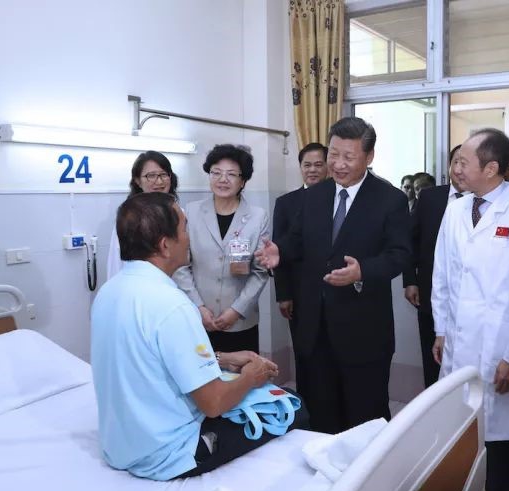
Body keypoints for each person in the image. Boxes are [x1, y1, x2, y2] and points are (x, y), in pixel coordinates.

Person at [91, 192, 302, 481]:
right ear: (165, 245)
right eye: (183, 228)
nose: (189, 237)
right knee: (292, 404)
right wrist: (252, 376)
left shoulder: (109, 292)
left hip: (119, 447)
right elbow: (213, 403)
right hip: (168, 455)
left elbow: (147, 359)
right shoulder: (173, 305)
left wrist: (223, 359)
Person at [255, 117, 411, 434]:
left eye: (348, 157)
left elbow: (400, 255)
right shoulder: (314, 196)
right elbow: (298, 239)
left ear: (369, 157)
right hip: (314, 329)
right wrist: (279, 252)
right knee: (319, 412)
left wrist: (362, 270)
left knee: (364, 417)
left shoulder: (390, 200)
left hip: (363, 332)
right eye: (334, 154)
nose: (338, 164)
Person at [431, 129, 509, 491]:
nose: (456, 168)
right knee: (457, 437)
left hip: (499, 349)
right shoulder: (455, 210)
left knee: (497, 444)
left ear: (492, 167)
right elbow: (443, 276)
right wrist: (440, 330)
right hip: (456, 344)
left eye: (464, 162)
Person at [174, 145, 269, 354]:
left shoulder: (257, 216)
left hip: (241, 321)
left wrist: (236, 311)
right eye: (216, 173)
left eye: (231, 174)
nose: (222, 179)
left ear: (243, 181)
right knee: (201, 378)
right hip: (199, 318)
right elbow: (181, 265)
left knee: (242, 380)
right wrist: (198, 307)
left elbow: (261, 272)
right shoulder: (192, 211)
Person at [402, 144, 465, 388]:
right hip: (430, 293)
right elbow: (411, 240)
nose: (458, 170)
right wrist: (410, 280)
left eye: (465, 163)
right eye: (455, 163)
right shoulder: (430, 197)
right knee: (433, 357)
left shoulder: (483, 203)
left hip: (469, 297)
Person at [272, 142, 328, 396]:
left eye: (318, 164)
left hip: (333, 291)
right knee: (305, 352)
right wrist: (283, 294)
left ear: (328, 167)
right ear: (300, 168)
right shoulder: (286, 203)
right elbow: (278, 253)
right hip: (299, 293)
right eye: (307, 165)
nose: (313, 170)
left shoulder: (338, 200)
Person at [106, 150, 179, 280]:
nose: (159, 181)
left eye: (163, 174)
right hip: (137, 289)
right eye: (151, 176)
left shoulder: (180, 214)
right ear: (138, 181)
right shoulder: (129, 219)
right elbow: (115, 265)